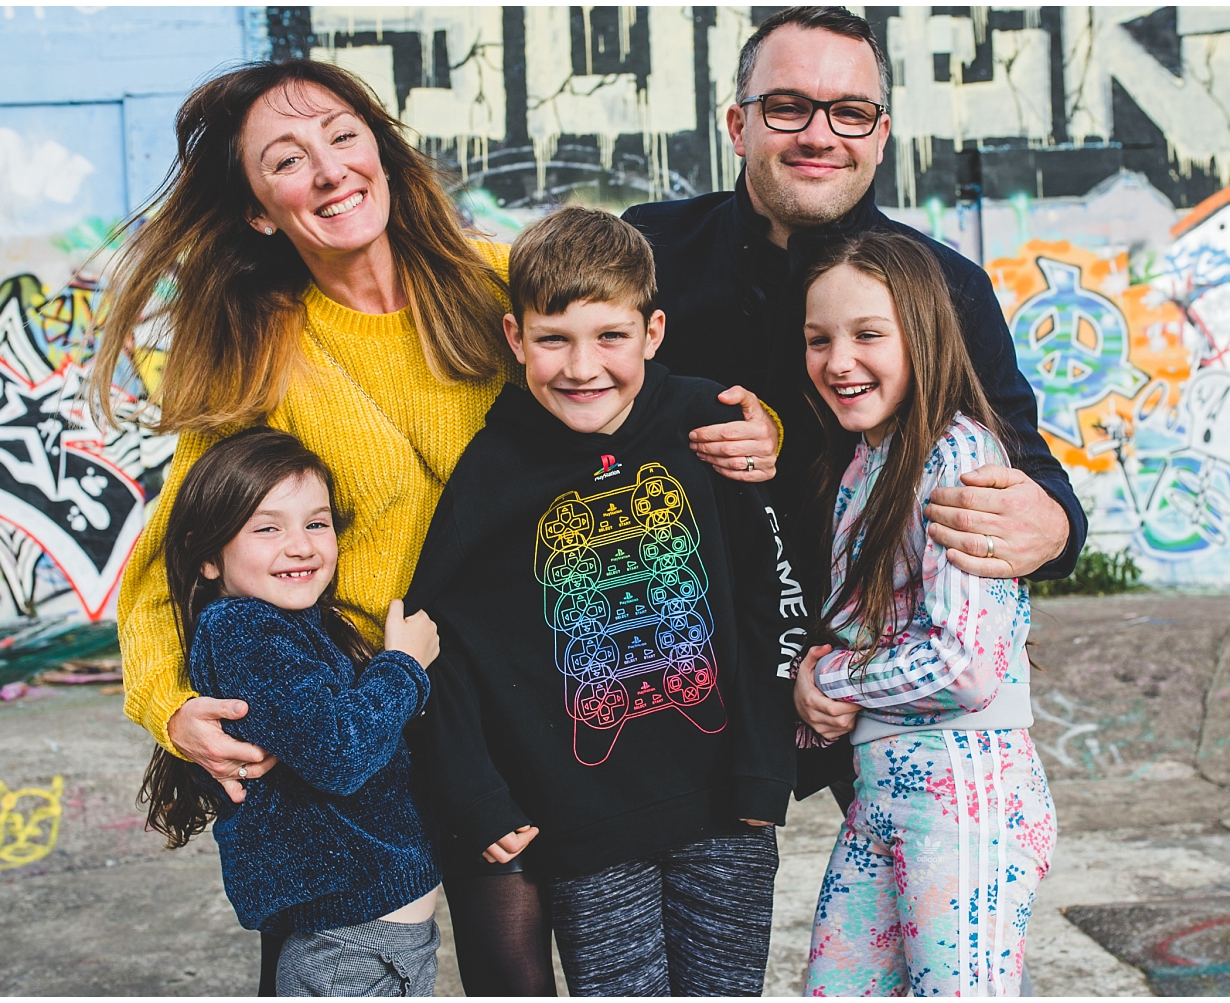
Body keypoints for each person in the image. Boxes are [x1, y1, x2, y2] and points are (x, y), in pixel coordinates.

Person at [95, 59, 779, 996]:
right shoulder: (252, 355)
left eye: (341, 137)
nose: (330, 170)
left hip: (520, 709)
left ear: (378, 149)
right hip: (363, 723)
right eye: (288, 160)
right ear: (260, 209)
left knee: (533, 974)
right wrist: (171, 705)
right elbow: (172, 552)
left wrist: (754, 428)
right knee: (354, 969)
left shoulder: (493, 285)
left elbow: (638, 387)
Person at [619, 6, 1086, 797]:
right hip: (687, 672)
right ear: (739, 125)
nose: (819, 134)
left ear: (879, 135)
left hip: (872, 679)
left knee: (904, 913)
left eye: (850, 112)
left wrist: (1054, 525)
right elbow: (573, 415)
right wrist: (703, 412)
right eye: (788, 107)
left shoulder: (946, 287)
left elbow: (1037, 479)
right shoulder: (645, 251)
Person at [403, 206, 798, 996]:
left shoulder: (708, 427)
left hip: (727, 809)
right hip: (585, 828)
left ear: (653, 331)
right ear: (516, 339)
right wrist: (477, 792)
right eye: (554, 339)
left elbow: (772, 596)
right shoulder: (493, 469)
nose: (583, 366)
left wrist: (766, 765)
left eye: (610, 336)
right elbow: (430, 639)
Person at [796, 232, 1055, 995]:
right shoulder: (863, 464)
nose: (839, 360)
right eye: (820, 339)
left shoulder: (957, 455)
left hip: (964, 792)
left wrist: (833, 676)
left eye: (868, 334)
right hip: (882, 791)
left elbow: (963, 663)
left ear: (923, 332)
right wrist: (811, 687)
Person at [138, 428, 444, 995]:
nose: (301, 545)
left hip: (377, 934)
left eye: (316, 523)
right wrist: (404, 664)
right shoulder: (243, 631)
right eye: (267, 527)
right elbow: (340, 753)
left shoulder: (299, 624)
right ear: (207, 556)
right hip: (344, 940)